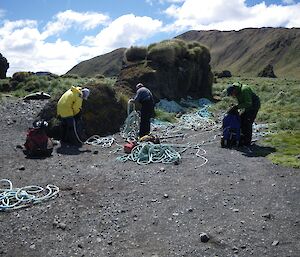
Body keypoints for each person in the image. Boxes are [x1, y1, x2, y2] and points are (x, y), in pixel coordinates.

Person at [226, 82, 260, 146]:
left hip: (254, 106)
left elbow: (248, 103)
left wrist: (237, 107)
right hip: (247, 107)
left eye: (232, 94)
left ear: (234, 90)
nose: (232, 96)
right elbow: (241, 103)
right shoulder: (237, 93)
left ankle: (247, 142)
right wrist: (236, 108)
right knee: (241, 120)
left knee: (247, 122)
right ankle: (241, 138)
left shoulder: (244, 90)